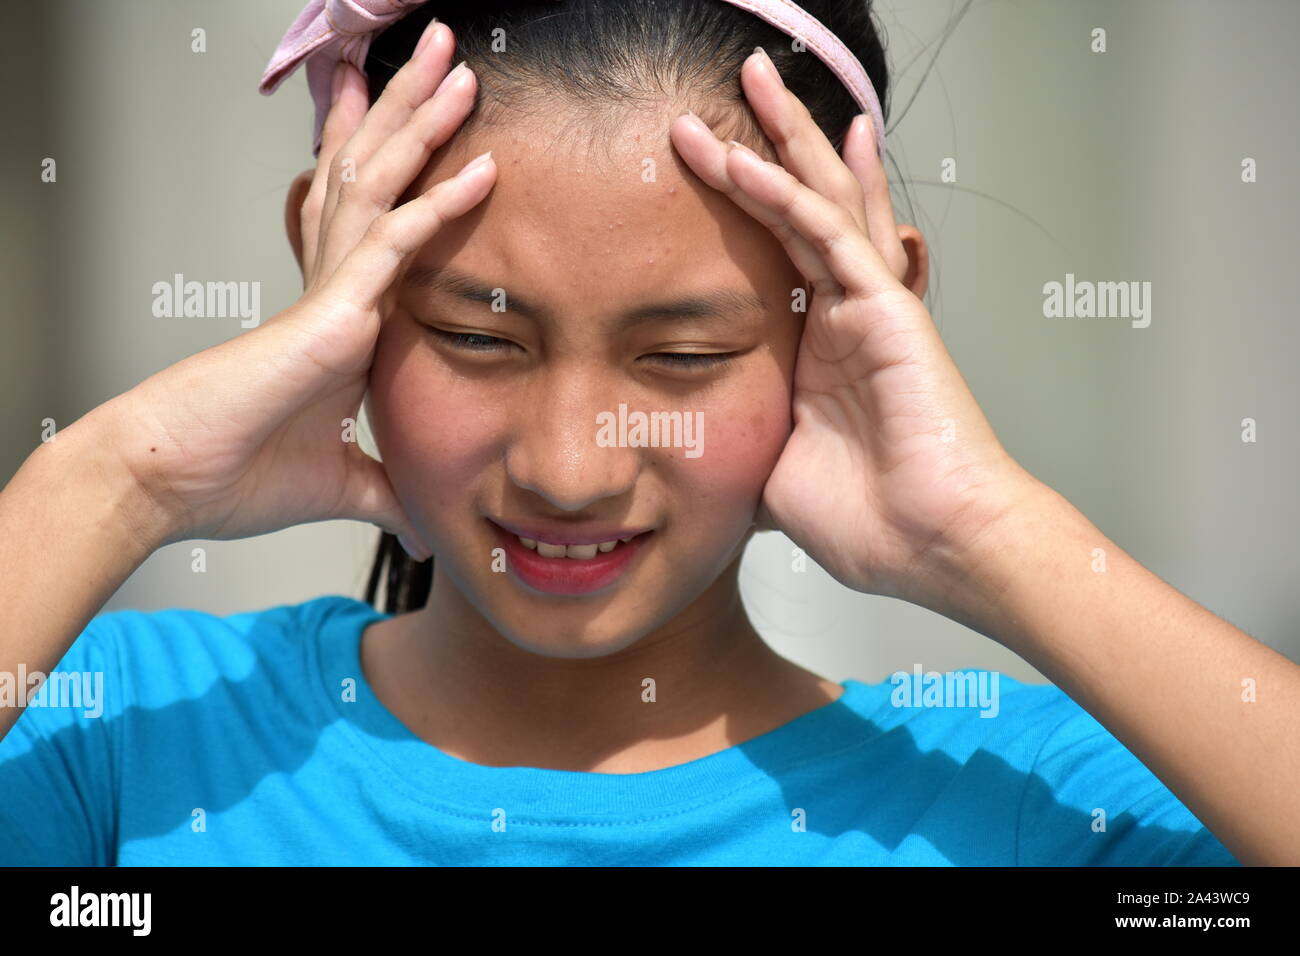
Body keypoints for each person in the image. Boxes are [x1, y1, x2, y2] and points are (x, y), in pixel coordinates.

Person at [1, 0, 1292, 866]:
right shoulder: (113, 738)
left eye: (685, 357)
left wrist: (993, 534)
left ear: (859, 311)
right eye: (479, 337)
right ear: (335, 272)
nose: (571, 465)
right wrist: (116, 480)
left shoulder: (1028, 804)